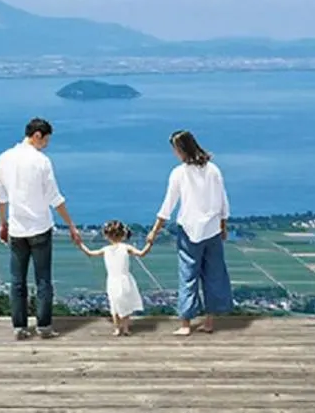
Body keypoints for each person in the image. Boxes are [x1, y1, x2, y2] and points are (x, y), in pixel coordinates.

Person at [0, 117, 82, 339]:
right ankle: (44, 326)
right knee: (43, 280)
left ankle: (19, 326)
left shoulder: (4, 159)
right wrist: (71, 225)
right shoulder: (41, 161)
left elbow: (1, 198)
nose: (47, 145)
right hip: (40, 228)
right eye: (46, 140)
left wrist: (2, 224)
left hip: (16, 228)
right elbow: (55, 198)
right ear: (37, 136)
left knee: (17, 281)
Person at [145, 129, 233, 336]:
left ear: (180, 149)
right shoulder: (213, 170)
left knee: (188, 275)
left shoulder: (179, 173)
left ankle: (186, 323)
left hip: (189, 230)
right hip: (211, 230)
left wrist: (154, 231)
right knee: (213, 275)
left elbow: (168, 206)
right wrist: (223, 226)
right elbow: (223, 201)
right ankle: (209, 322)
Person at [78, 219, 152, 336]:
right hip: (125, 279)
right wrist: (149, 243)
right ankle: (126, 328)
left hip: (112, 281)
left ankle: (117, 328)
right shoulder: (126, 247)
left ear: (107, 236)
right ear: (123, 234)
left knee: (115, 305)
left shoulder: (105, 249)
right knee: (126, 305)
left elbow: (90, 253)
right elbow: (142, 253)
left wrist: (80, 244)